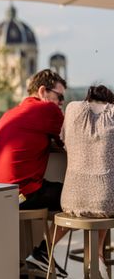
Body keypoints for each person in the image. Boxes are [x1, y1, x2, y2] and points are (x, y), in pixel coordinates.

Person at [0, 69, 68, 277]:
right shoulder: (47, 110)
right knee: (83, 197)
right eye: (60, 97)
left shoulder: (10, 113)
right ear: (42, 91)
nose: (61, 104)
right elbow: (74, 139)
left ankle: (34, 259)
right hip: (20, 194)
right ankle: (43, 253)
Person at [60, 85, 114, 279]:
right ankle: (98, 256)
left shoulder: (72, 109)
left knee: (102, 192)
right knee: (105, 193)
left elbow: (64, 141)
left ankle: (96, 257)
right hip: (106, 201)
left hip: (71, 199)